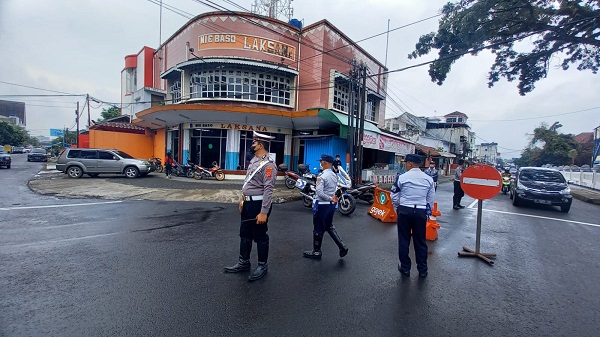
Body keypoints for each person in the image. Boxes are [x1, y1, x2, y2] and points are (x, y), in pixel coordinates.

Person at [224, 131, 277, 282]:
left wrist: (264, 212)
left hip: (259, 205)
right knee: (245, 233)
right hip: (248, 203)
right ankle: (244, 262)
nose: (252, 145)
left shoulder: (268, 165)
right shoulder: (254, 160)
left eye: (254, 143)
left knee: (260, 235)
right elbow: (249, 183)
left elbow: (268, 190)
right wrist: (243, 200)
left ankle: (262, 265)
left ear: (260, 145)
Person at [391, 154, 435, 278]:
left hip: (405, 210)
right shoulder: (428, 179)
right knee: (420, 241)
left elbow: (394, 195)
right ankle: (422, 270)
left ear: (410, 164)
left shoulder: (402, 177)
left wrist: (397, 208)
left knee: (404, 239)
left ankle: (405, 268)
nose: (405, 165)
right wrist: (427, 212)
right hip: (420, 211)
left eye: (406, 163)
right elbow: (430, 198)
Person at [303, 154, 348, 260]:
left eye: (321, 161)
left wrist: (329, 198)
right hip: (331, 207)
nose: (320, 163)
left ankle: (316, 252)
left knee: (318, 228)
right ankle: (342, 247)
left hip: (322, 205)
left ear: (325, 163)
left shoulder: (322, 176)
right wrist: (332, 198)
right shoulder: (333, 175)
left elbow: (319, 192)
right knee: (328, 226)